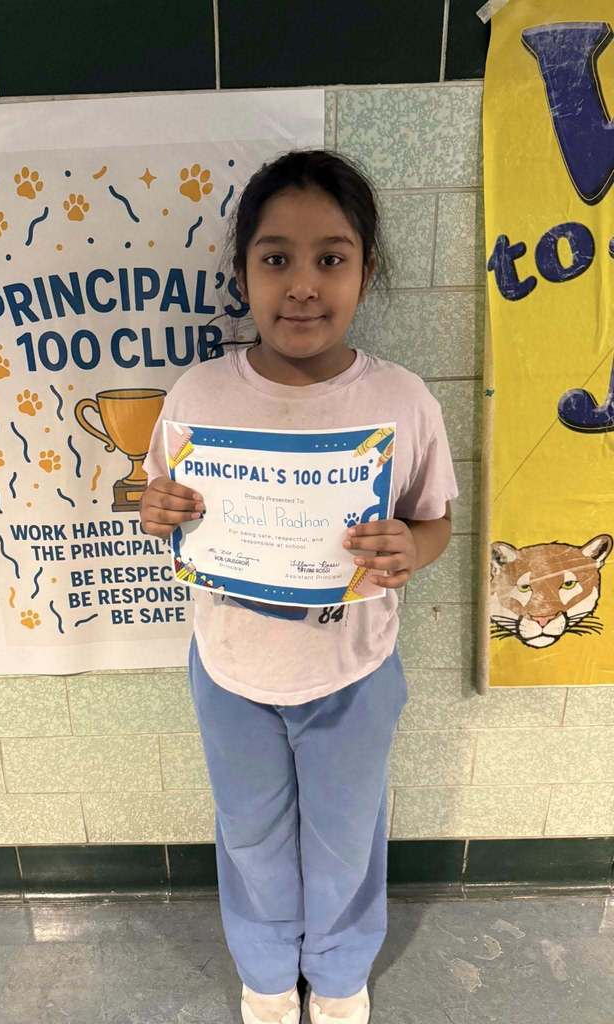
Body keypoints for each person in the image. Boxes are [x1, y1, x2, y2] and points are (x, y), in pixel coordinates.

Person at [140, 150, 458, 1024]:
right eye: (275, 258)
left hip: (353, 672)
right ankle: (269, 975)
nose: (303, 285)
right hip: (231, 667)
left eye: (332, 257)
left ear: (366, 269)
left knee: (347, 837)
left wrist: (411, 550)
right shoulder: (199, 392)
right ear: (243, 272)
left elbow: (435, 522)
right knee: (248, 834)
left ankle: (343, 972)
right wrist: (155, 505)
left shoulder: (401, 398)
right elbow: (158, 505)